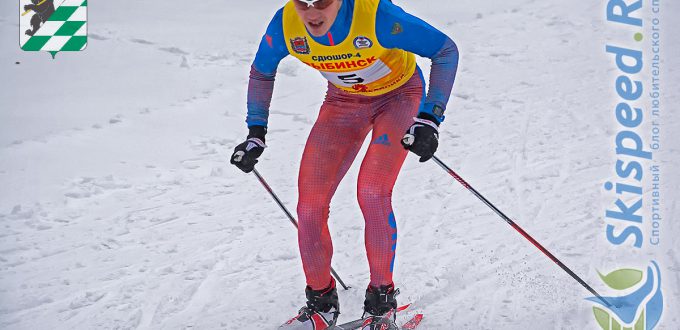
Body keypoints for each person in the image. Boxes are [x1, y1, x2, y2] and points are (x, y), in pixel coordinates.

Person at [230, 0, 458, 328]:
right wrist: (256, 132)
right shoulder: (286, 24)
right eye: (302, 2)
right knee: (309, 207)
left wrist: (430, 118)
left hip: (399, 97)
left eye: (322, 1)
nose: (311, 12)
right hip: (342, 104)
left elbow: (445, 51)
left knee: (372, 192)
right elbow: (262, 71)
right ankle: (322, 305)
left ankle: (381, 305)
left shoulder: (376, 16)